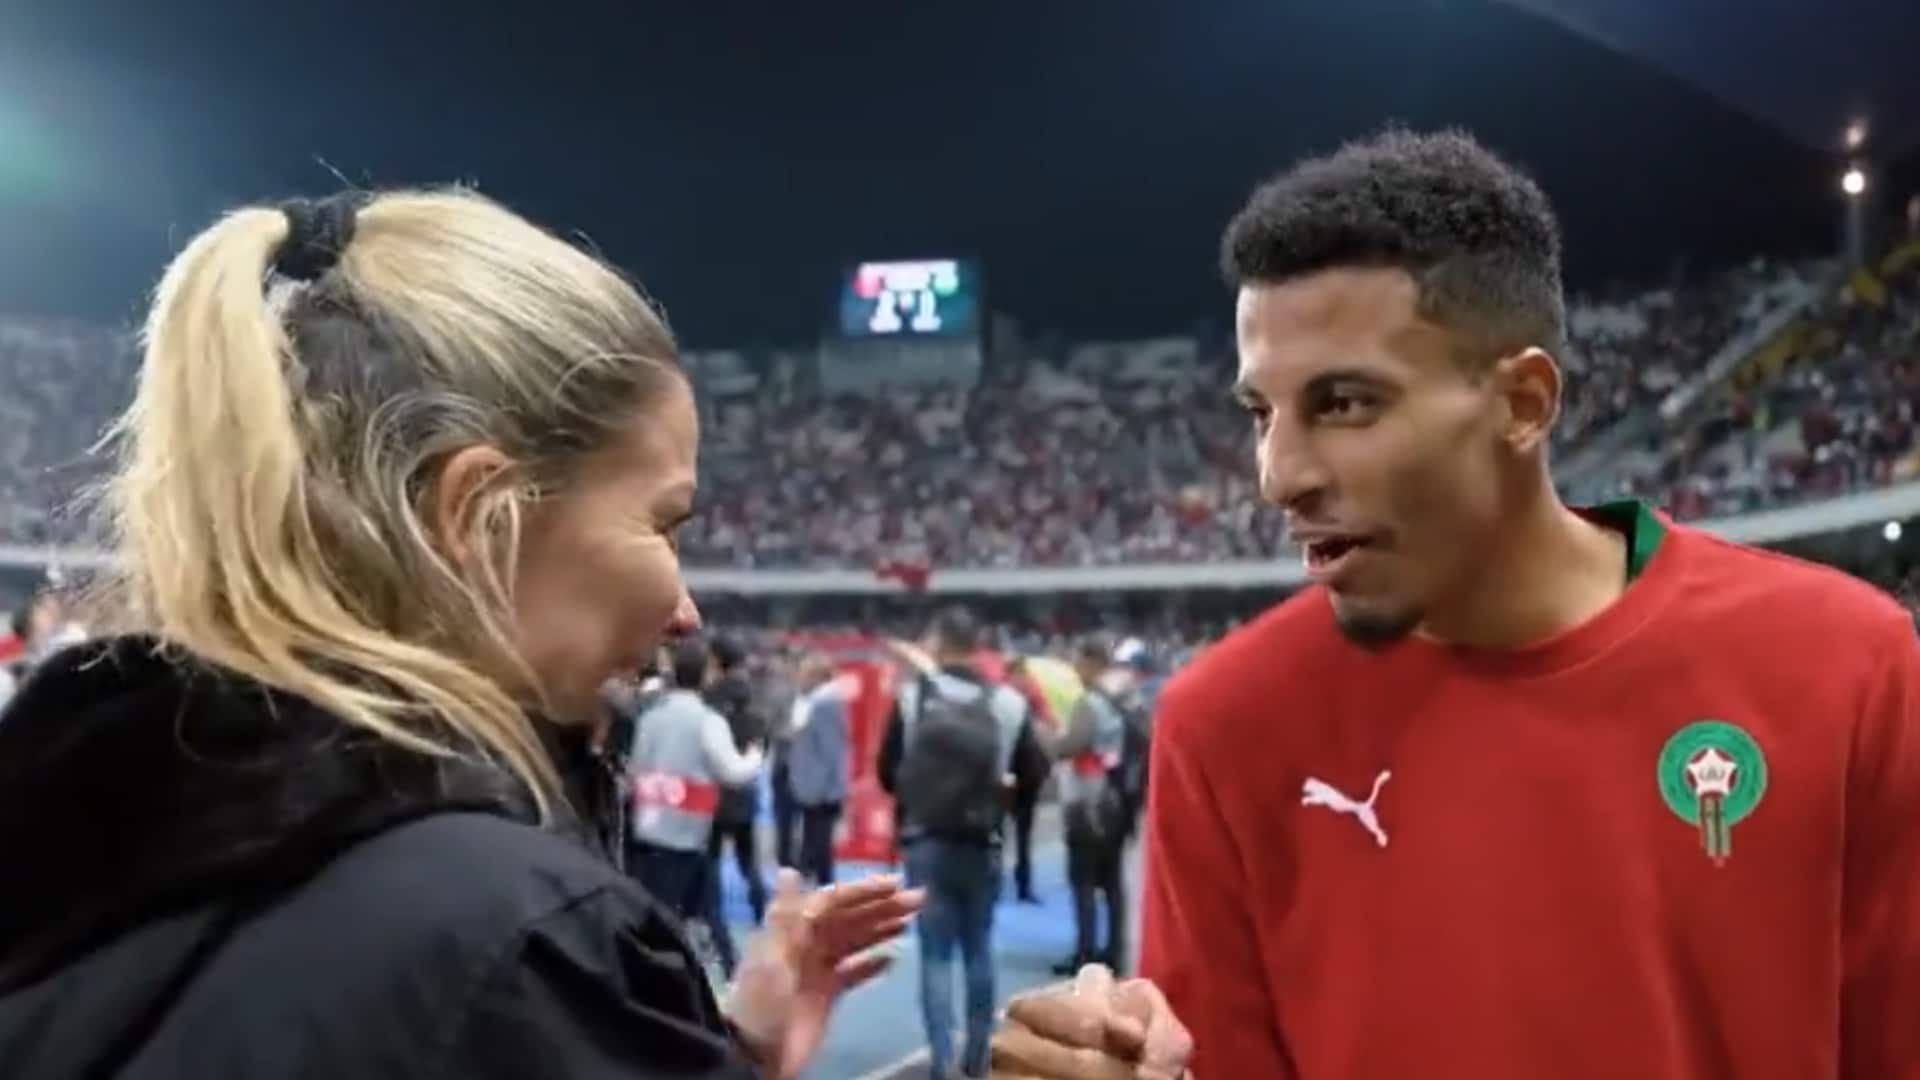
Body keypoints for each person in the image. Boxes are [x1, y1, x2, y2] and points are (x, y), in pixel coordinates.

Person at [0, 189, 922, 1079]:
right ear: (480, 513)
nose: (687, 611)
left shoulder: (103, 844)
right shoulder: (507, 937)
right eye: (662, 524)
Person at [1139, 128, 1920, 1079]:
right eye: (1262, 412)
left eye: (1344, 403)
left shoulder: (1847, 665)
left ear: (1523, 403)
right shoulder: (1223, 727)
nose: (1278, 476)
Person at [878, 606, 1043, 1079]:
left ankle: (941, 1059)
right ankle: (977, 1057)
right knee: (978, 948)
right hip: (981, 840)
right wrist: (1004, 802)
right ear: (976, 647)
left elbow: (888, 770)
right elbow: (1034, 773)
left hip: (926, 840)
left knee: (933, 954)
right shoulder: (1008, 704)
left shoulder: (913, 698)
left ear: (937, 642)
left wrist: (916, 799)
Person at [628, 637, 764, 955]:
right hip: (688, 834)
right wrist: (756, 754)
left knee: (653, 911)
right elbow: (734, 772)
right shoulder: (708, 721)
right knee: (699, 912)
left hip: (649, 828)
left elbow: (635, 768)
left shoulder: (651, 718)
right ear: (705, 675)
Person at [1050, 634, 1134, 976]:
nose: (1074, 668)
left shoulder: (1090, 703)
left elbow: (1072, 745)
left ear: (1092, 662)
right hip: (1118, 796)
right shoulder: (1125, 697)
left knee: (1083, 879)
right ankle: (1115, 950)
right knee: (1112, 881)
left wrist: (1054, 739)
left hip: (1088, 800)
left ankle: (1085, 953)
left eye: (1078, 661)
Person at [705, 633, 771, 924]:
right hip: (744, 792)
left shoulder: (707, 701)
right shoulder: (753, 698)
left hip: (713, 794)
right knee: (749, 863)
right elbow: (762, 741)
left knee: (711, 863)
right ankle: (761, 912)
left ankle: (714, 921)